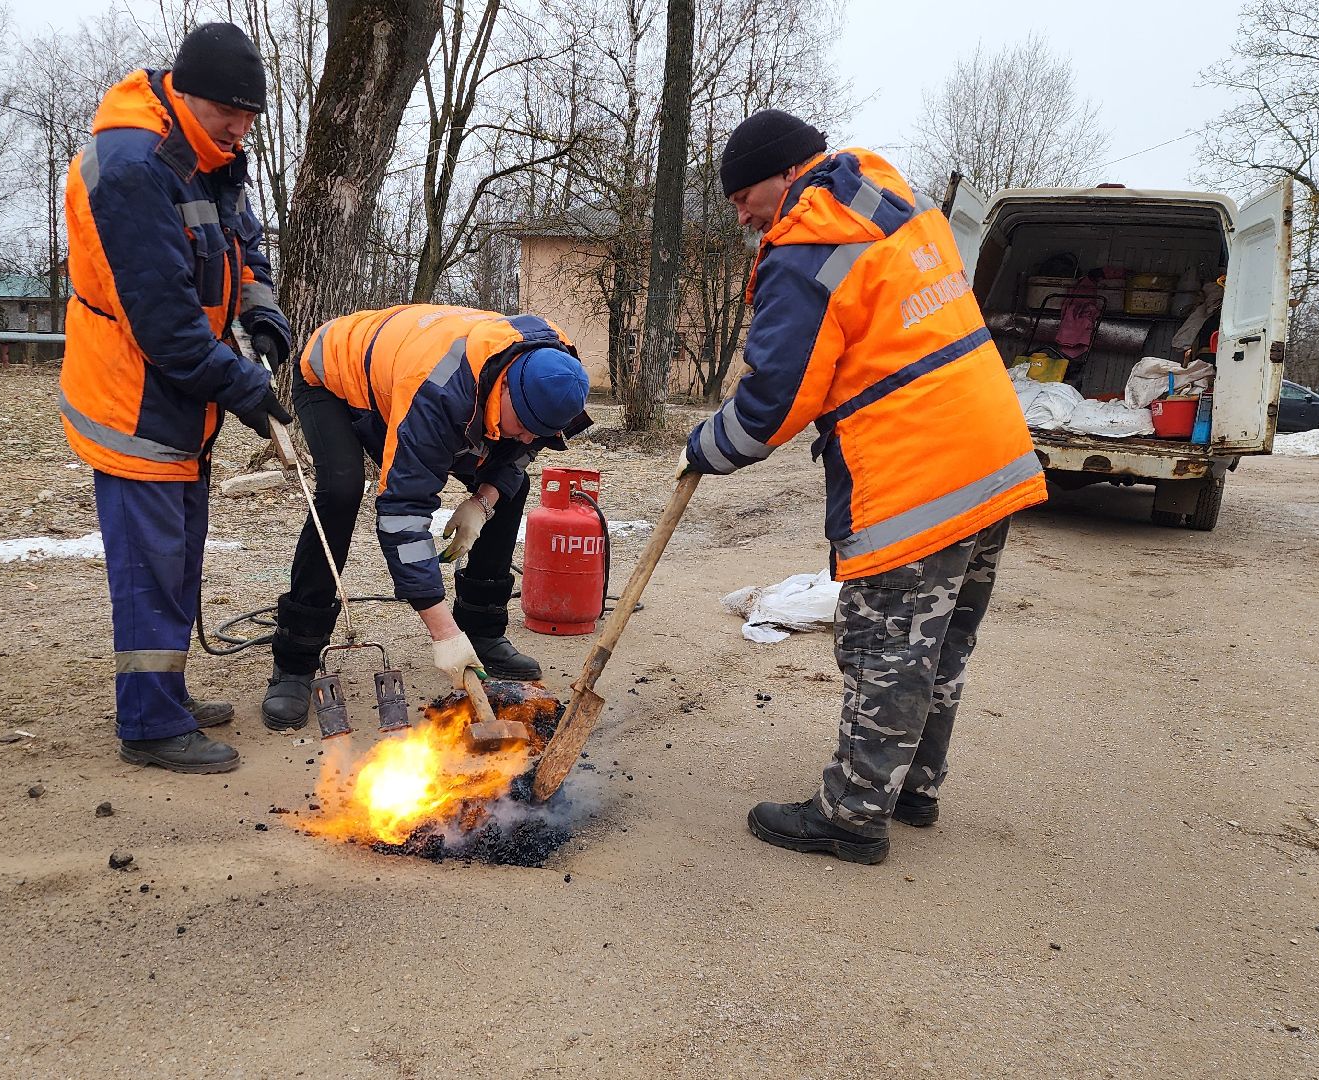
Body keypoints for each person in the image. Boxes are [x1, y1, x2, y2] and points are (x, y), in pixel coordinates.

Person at [679, 109, 1048, 864]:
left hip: (917, 470)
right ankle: (909, 786)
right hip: (990, 453)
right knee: (937, 642)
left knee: (884, 646)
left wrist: (704, 447)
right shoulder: (893, 202)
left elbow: (771, 405)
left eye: (741, 193)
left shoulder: (811, 241)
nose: (739, 212)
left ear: (786, 174)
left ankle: (851, 816)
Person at [60, 22, 296, 775]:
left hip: (182, 395)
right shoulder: (134, 166)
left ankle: (165, 693)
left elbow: (242, 244)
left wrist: (262, 313)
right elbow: (164, 325)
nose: (243, 128)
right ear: (188, 94)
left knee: (181, 553)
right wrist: (247, 389)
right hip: (136, 394)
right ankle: (151, 725)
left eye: (252, 115)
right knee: (151, 564)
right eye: (233, 112)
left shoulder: (208, 152)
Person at [260, 305, 591, 729]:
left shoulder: (559, 369)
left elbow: (524, 448)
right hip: (336, 380)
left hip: (418, 381)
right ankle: (295, 657)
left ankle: (482, 630)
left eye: (541, 430)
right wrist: (442, 633)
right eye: (525, 424)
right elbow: (402, 513)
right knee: (342, 492)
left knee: (513, 488)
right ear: (506, 387)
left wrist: (483, 502)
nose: (529, 437)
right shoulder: (437, 392)